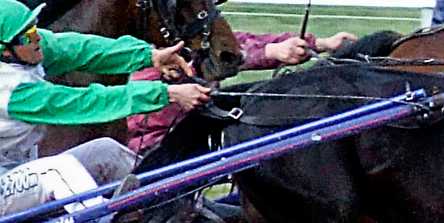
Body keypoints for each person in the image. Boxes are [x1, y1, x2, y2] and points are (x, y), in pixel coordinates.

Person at [0, 0, 211, 222]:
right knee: (59, 169)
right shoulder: (8, 91)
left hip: (22, 174)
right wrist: (167, 93)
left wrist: (148, 56)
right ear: (4, 51)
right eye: (27, 35)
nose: (36, 37)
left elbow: (80, 49)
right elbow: (88, 102)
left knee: (107, 149)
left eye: (34, 27)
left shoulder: (19, 49)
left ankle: (174, 207)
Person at [126, 29, 356, 154]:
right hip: (149, 151)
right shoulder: (140, 50)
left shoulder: (189, 37)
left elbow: (239, 42)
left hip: (196, 139)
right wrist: (268, 52)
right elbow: (214, 61)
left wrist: (320, 44)